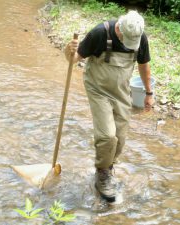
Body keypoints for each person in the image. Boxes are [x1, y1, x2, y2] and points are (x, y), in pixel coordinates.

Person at [65, 10, 154, 202]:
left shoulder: (140, 37)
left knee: (119, 138)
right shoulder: (99, 33)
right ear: (120, 29)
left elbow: (143, 65)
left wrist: (149, 93)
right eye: (126, 39)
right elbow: (73, 60)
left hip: (121, 92)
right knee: (107, 136)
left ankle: (108, 166)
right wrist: (68, 50)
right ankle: (102, 175)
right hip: (98, 90)